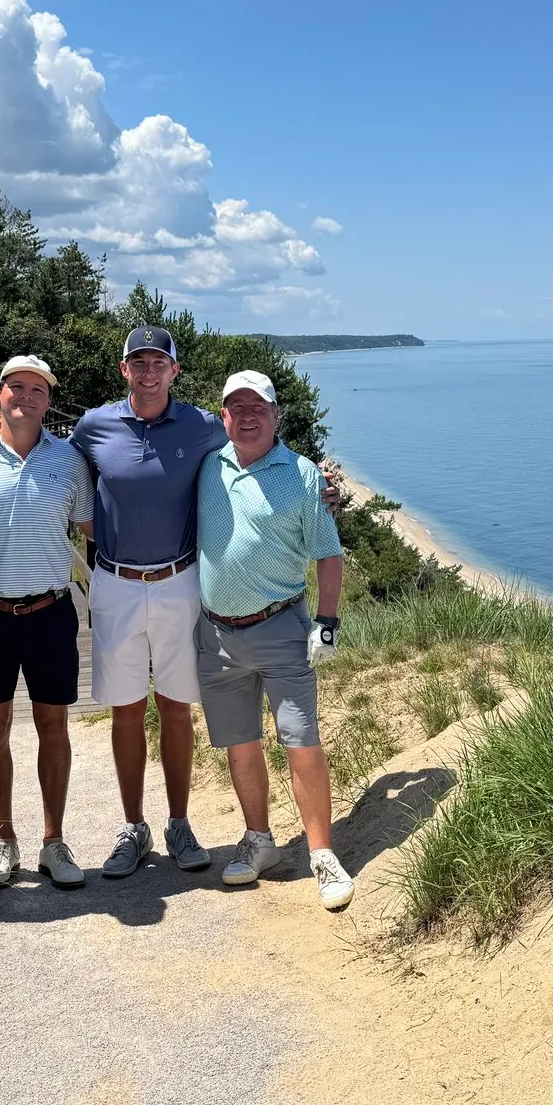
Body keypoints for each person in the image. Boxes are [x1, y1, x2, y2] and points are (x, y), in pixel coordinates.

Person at [194, 370, 354, 911]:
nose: (247, 415)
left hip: (281, 627)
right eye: (235, 407)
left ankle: (322, 853)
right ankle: (259, 841)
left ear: (276, 413)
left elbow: (329, 556)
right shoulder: (207, 467)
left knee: (300, 740)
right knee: (241, 744)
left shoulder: (304, 475)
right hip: (215, 633)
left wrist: (326, 624)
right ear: (223, 417)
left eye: (257, 406)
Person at [69, 326, 222, 877]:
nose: (150, 372)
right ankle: (134, 827)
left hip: (181, 581)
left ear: (175, 371)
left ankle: (179, 823)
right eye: (140, 362)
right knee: (127, 709)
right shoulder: (94, 425)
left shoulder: (203, 426)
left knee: (177, 707)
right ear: (124, 370)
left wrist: (313, 482)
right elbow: (60, 473)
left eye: (160, 362)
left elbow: (253, 456)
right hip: (113, 582)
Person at [0, 354, 93, 889]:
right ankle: (5, 840)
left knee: (54, 727)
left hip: (50, 611)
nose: (26, 397)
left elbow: (87, 523)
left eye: (38, 390)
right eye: (17, 387)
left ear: (48, 401)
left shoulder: (68, 459)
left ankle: (53, 843)